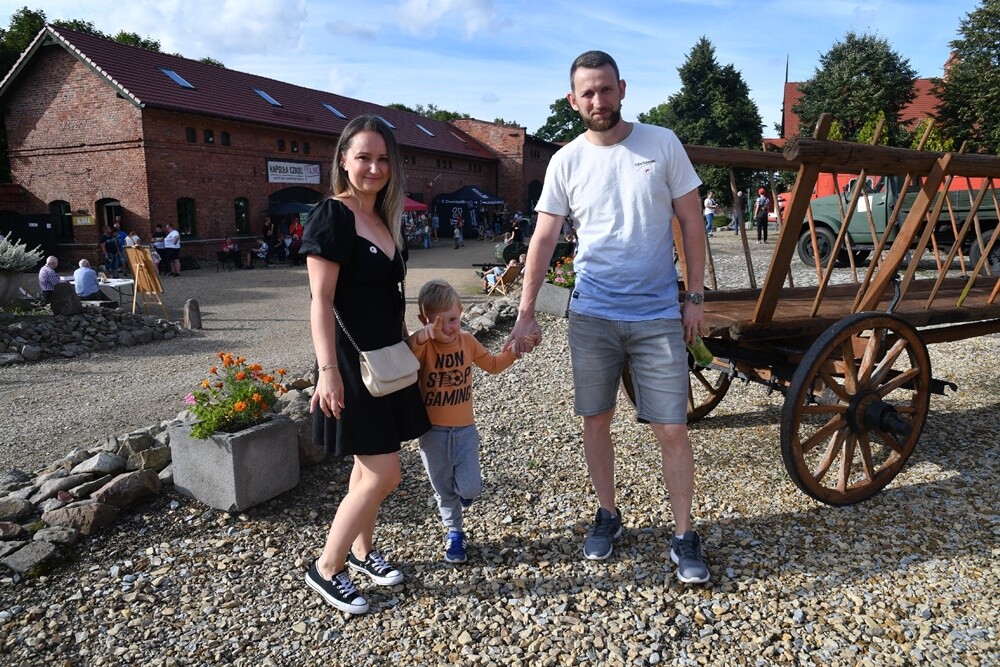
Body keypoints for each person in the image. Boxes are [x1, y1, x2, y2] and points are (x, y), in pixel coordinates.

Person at [507, 50, 711, 584]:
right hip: (593, 314)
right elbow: (544, 237)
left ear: (622, 89)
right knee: (595, 419)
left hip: (657, 313)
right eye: (588, 93)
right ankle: (607, 513)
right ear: (573, 101)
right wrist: (526, 311)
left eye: (605, 89)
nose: (598, 100)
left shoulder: (661, 143)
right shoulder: (566, 160)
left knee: (672, 427)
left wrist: (694, 297)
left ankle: (684, 534)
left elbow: (692, 222)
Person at [301, 114, 430, 615]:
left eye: (382, 159)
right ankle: (326, 567)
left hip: (387, 359)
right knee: (385, 473)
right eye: (363, 157)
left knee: (366, 466)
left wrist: (407, 340)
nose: (373, 168)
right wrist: (327, 371)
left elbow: (384, 296)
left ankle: (361, 552)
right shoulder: (333, 215)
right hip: (351, 363)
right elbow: (320, 301)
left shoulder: (384, 217)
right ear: (343, 160)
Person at [407, 279, 522, 563]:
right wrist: (423, 335)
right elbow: (408, 352)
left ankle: (463, 496)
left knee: (470, 488)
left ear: (460, 312)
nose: (448, 328)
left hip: (465, 431)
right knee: (443, 489)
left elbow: (493, 364)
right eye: (438, 322)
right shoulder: (425, 346)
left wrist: (514, 352)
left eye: (453, 319)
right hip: (432, 434)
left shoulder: (467, 341)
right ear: (424, 321)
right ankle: (454, 533)